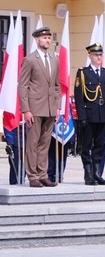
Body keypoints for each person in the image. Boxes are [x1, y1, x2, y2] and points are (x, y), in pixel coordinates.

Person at [17, 26, 61, 188]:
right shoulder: (29, 60)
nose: (47, 40)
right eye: (44, 38)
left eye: (49, 38)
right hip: (34, 107)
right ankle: (33, 176)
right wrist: (26, 109)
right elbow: (23, 86)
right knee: (33, 143)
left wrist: (57, 107)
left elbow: (57, 85)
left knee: (45, 143)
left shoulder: (55, 59)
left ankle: (43, 174)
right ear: (37, 40)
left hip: (50, 107)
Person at [73, 43, 105, 186]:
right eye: (96, 55)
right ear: (89, 56)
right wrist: (82, 117)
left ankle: (97, 173)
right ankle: (88, 174)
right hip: (89, 116)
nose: (98, 57)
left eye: (100, 55)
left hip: (103, 115)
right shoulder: (83, 73)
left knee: (100, 146)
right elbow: (79, 98)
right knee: (86, 147)